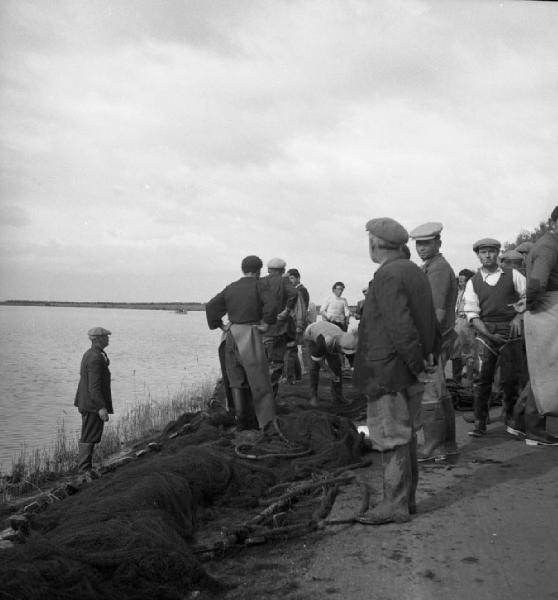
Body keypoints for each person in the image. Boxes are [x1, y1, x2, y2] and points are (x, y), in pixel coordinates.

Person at [353, 217, 439, 525]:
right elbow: (430, 321)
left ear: (375, 244)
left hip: (389, 373)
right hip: (406, 369)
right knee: (405, 435)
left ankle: (395, 503)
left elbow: (401, 328)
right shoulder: (414, 271)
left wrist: (415, 366)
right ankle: (406, 500)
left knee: (390, 436)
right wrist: (426, 361)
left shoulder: (387, 275)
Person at [205, 255, 277, 430]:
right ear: (259, 270)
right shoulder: (260, 285)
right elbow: (272, 305)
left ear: (242, 269)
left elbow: (211, 306)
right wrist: (266, 324)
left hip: (230, 335)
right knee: (259, 378)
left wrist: (221, 325)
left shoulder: (232, 287)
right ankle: (264, 421)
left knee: (235, 378)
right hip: (249, 334)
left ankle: (240, 419)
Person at [463, 238, 526, 437]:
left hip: (511, 330)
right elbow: (472, 314)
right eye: (483, 252)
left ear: (498, 253)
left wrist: (519, 316)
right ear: (478, 255)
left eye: (491, 251)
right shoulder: (473, 282)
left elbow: (528, 296)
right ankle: (480, 423)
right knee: (481, 379)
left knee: (511, 380)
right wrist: (489, 335)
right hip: (485, 332)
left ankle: (512, 423)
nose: (488, 255)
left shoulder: (513, 274)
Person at [409, 222, 458, 462]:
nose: (421, 248)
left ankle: (433, 448)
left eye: (426, 243)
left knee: (431, 393)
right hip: (439, 337)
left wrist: (423, 343)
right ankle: (447, 446)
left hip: (433, 339)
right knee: (440, 391)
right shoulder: (432, 267)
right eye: (418, 244)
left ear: (438, 242)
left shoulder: (438, 269)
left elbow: (436, 314)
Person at [516, 206, 558, 445]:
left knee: (541, 371)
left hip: (548, 308)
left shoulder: (551, 243)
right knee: (543, 371)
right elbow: (534, 286)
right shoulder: (548, 246)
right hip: (546, 309)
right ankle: (533, 429)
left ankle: (518, 421)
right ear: (554, 222)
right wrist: (532, 306)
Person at [74, 327, 114, 477]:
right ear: (97, 339)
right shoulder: (95, 358)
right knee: (89, 435)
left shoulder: (94, 353)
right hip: (92, 405)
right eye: (105, 337)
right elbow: (94, 387)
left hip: (87, 402)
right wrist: (101, 408)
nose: (108, 338)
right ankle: (84, 470)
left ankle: (85, 468)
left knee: (89, 434)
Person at [260, 258, 298, 397]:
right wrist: (287, 310)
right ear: (282, 270)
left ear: (268, 270)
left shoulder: (261, 281)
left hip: (261, 329)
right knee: (275, 365)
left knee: (260, 365)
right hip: (278, 329)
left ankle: (257, 399)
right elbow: (294, 293)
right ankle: (270, 400)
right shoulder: (283, 281)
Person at [303, 321, 357, 406]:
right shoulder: (322, 341)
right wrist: (330, 372)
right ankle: (313, 396)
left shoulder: (347, 341)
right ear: (338, 346)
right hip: (311, 335)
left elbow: (352, 360)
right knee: (314, 367)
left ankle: (338, 397)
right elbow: (317, 358)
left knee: (336, 367)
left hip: (329, 332)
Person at [285, 268, 310, 384]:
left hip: (295, 323)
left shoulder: (301, 290)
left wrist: (299, 325)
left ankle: (291, 376)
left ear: (298, 278)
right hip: (294, 323)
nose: (290, 280)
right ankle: (298, 375)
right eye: (289, 278)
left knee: (291, 350)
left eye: (292, 278)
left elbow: (301, 309)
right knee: (293, 350)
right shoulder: (297, 290)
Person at [451, 268, 475, 384]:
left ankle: (470, 380)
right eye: (459, 280)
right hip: (456, 322)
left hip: (467, 323)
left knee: (468, 352)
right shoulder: (458, 292)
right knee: (455, 352)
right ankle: (456, 379)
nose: (460, 282)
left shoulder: (473, 293)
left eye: (463, 280)